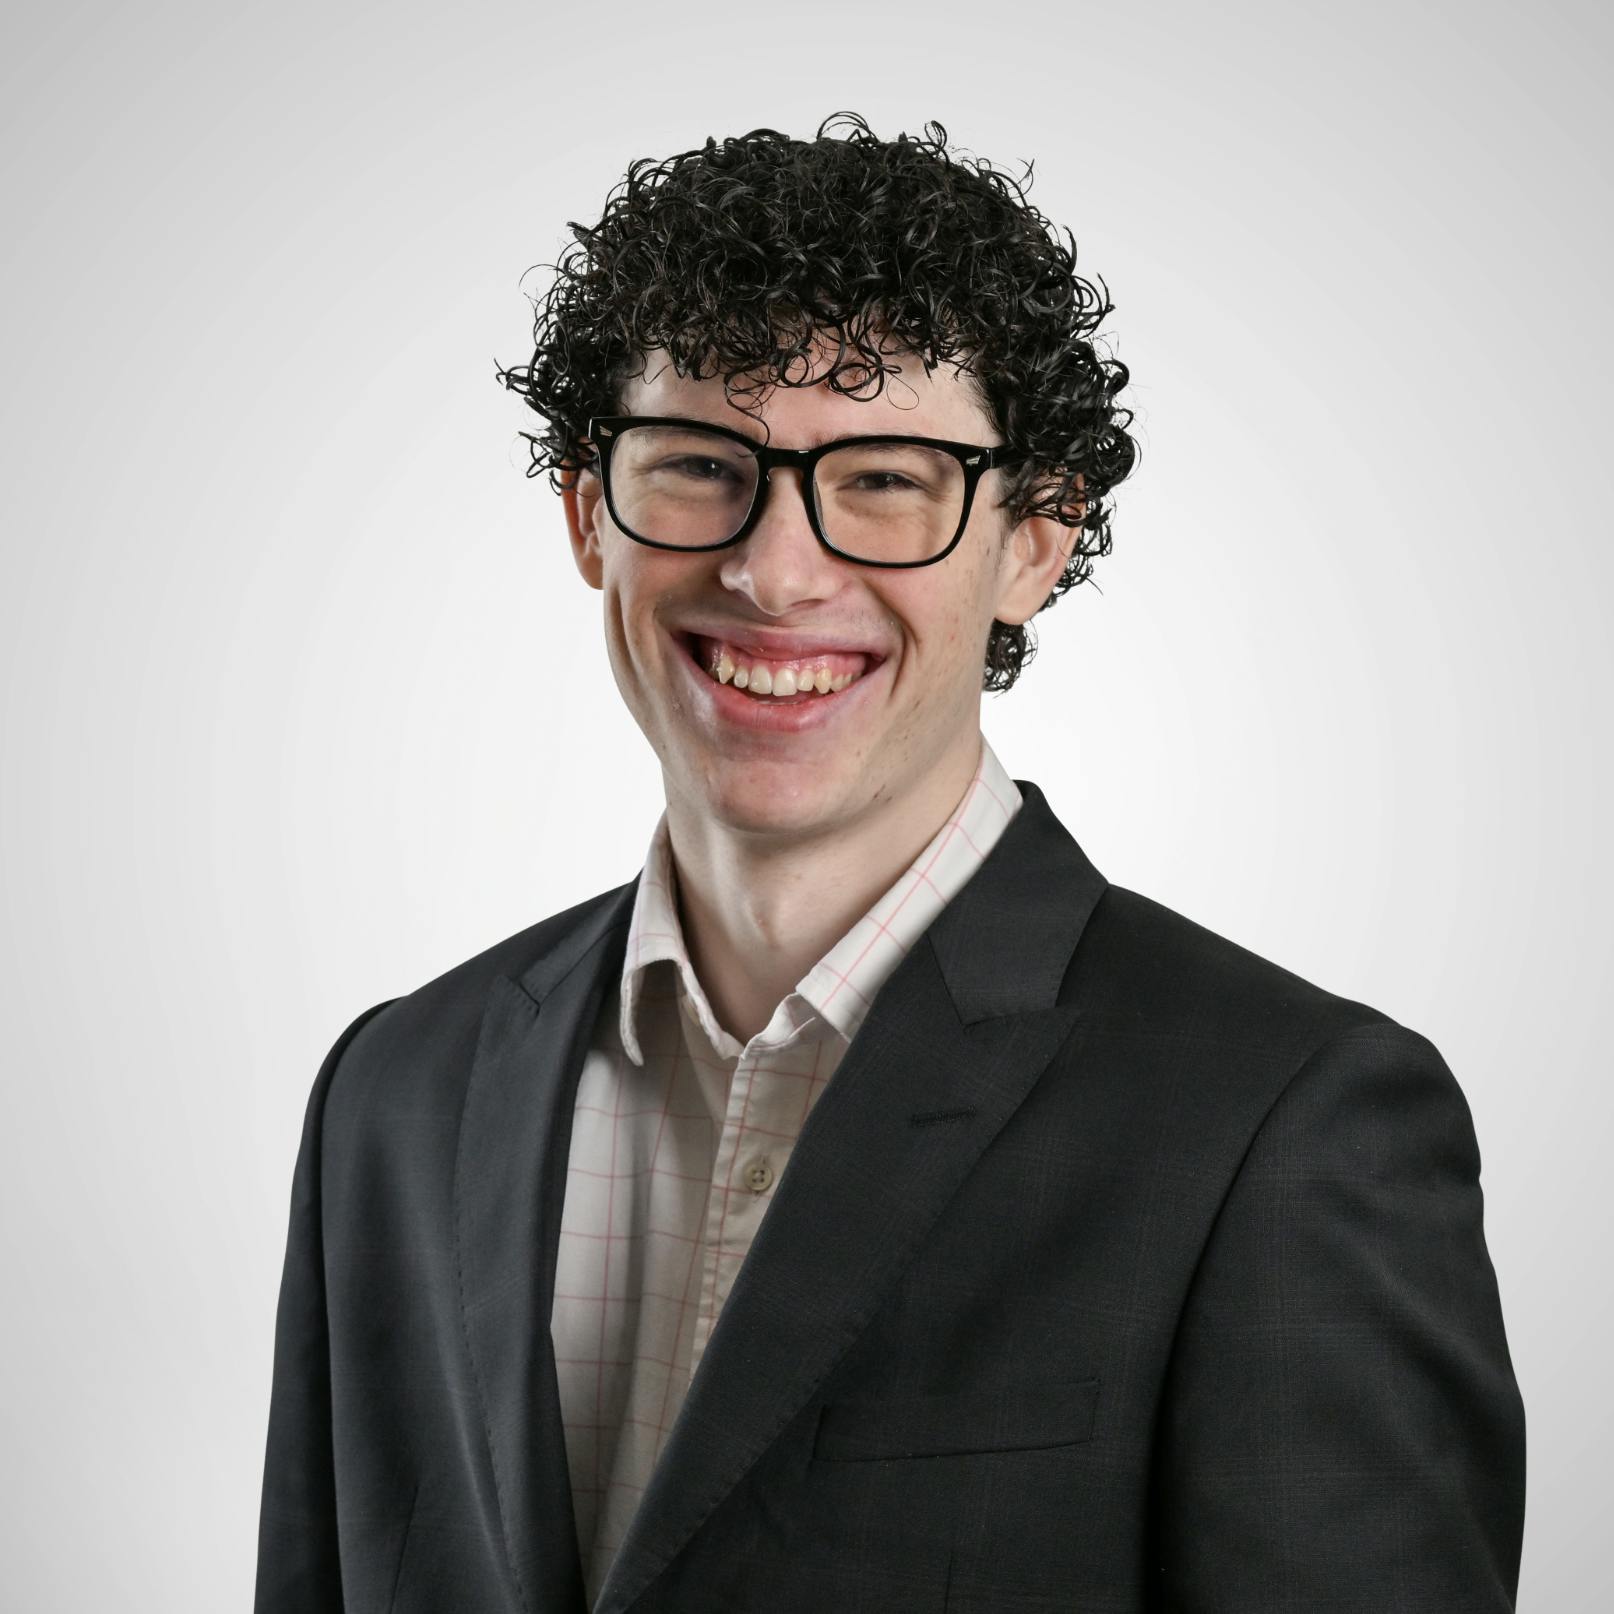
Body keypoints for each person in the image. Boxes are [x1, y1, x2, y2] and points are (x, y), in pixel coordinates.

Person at [254, 112, 1526, 1613]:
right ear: (590, 516)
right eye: (698, 465)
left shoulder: (1287, 1123)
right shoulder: (396, 1092)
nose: (772, 570)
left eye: (883, 480)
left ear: (1035, 539)